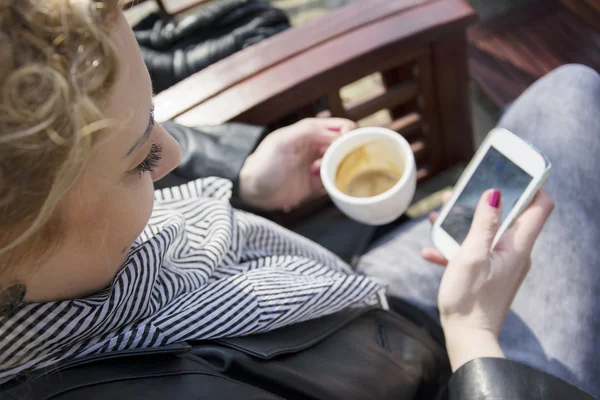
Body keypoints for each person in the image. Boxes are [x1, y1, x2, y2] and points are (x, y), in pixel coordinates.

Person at [0, 1, 596, 399]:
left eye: (159, 116)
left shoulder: (65, 273)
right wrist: (472, 335)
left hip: (353, 302)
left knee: (567, 95)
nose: (173, 156)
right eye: (141, 161)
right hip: (444, 368)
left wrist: (245, 175)